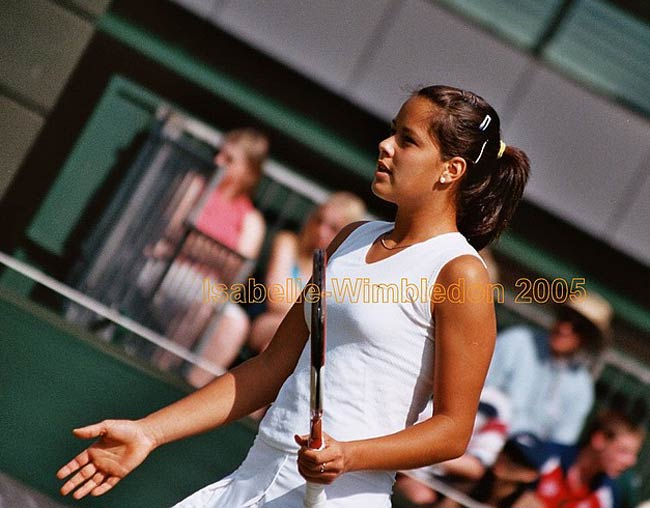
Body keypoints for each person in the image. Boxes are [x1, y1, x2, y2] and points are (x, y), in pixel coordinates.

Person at [56, 84, 530, 507]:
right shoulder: (351, 238)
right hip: (250, 478)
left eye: (407, 140)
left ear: (451, 170)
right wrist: (148, 432)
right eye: (392, 132)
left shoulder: (461, 273)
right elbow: (268, 367)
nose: (385, 146)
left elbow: (452, 430)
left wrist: (349, 455)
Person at [147, 128, 269, 371]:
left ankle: (189, 390)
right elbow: (174, 229)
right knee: (205, 303)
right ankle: (156, 372)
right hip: (163, 270)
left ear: (249, 173)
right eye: (218, 153)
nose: (217, 161)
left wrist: (192, 242)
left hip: (207, 290)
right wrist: (222, 256)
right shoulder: (194, 184)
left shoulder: (252, 220)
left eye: (229, 159)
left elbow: (238, 274)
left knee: (235, 324)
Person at [246, 191, 367, 356]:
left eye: (333, 228)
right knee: (287, 336)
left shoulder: (345, 271)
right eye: (319, 221)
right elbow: (277, 297)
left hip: (306, 339)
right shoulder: (288, 242)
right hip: (266, 322)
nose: (321, 231)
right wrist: (318, 317)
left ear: (347, 235)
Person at [485, 291, 613, 445]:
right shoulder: (517, 341)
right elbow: (478, 391)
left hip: (525, 459)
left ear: (588, 338)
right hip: (481, 436)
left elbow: (561, 441)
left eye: (578, 327)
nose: (565, 329)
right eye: (565, 318)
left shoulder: (582, 388)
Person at [394, 386, 512, 506]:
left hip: (426, 480)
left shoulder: (493, 403)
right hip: (395, 459)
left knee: (420, 496)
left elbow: (476, 467)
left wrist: (415, 454)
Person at [513, 409, 645, 508]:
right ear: (599, 440)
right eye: (623, 451)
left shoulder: (608, 495)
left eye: (634, 454)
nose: (631, 461)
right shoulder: (545, 457)